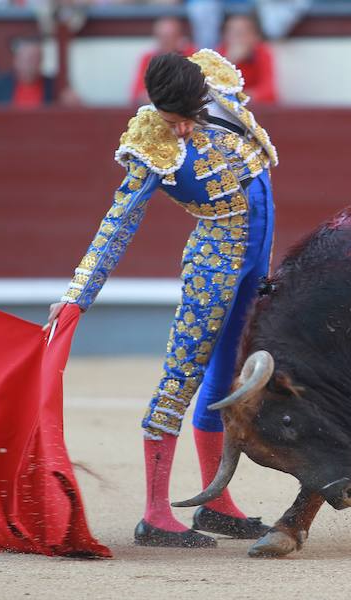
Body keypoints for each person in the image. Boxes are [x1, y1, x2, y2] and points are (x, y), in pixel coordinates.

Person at [45, 50, 278, 547]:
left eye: (181, 119)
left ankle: (214, 502)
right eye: (168, 120)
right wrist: (75, 295)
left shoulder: (219, 89)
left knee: (224, 377)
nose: (176, 130)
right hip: (214, 266)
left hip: (256, 261)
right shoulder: (151, 141)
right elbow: (119, 222)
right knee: (181, 376)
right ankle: (154, 514)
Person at [129, 17, 196, 106]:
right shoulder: (148, 58)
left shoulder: (190, 55)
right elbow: (138, 95)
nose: (166, 41)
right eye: (162, 36)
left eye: (170, 36)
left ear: (179, 37)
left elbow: (195, 90)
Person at [217, 14, 277, 104]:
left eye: (241, 33)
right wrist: (230, 61)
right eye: (231, 33)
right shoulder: (219, 54)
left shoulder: (262, 52)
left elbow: (269, 90)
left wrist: (241, 97)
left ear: (254, 36)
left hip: (255, 106)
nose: (236, 38)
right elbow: (214, 89)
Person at [0, 37, 56, 108]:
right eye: (29, 59)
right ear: (16, 60)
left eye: (37, 58)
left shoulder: (53, 86)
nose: (33, 63)